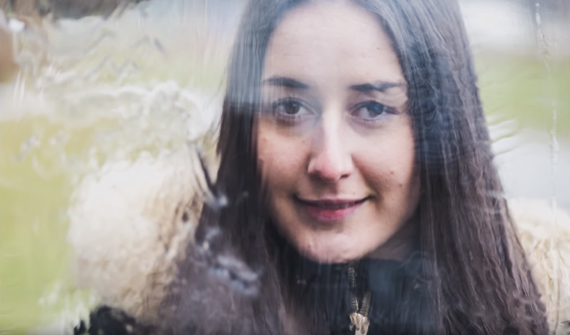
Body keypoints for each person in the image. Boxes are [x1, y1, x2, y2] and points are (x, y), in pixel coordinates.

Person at [73, 0, 570, 334]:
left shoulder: (540, 315)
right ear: (245, 128)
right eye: (289, 109)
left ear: (444, 127)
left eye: (372, 109)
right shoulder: (141, 320)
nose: (328, 163)